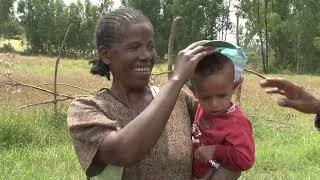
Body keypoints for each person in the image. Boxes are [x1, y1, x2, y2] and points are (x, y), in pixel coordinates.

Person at [67, 7, 241, 179]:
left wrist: (225, 173)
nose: (146, 55)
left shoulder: (181, 100)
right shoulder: (86, 110)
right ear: (106, 54)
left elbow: (235, 139)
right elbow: (124, 152)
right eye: (134, 47)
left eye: (150, 47)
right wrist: (176, 80)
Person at [187, 46, 255, 179]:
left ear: (234, 87)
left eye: (222, 96)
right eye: (206, 98)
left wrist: (216, 151)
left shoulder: (236, 123)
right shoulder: (201, 108)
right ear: (194, 91)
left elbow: (246, 159)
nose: (214, 104)